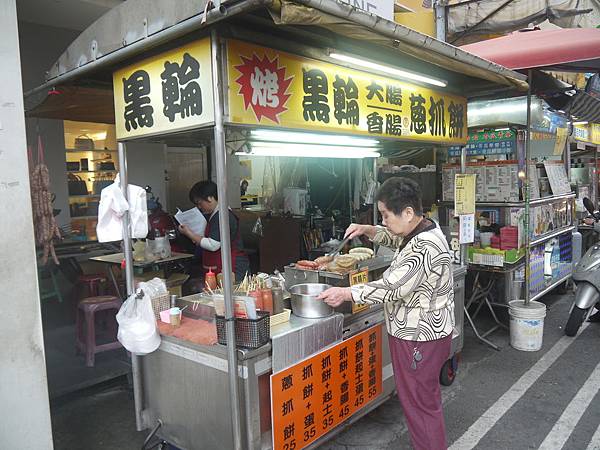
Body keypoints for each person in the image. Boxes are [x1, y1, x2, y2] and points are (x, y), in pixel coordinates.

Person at [318, 177, 455, 450]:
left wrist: (347, 293)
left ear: (407, 212)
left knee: (419, 406)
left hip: (418, 337)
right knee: (423, 401)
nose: (383, 221)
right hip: (425, 333)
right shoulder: (424, 229)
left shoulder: (426, 247)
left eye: (384, 215)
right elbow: (396, 238)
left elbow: (391, 288)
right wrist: (367, 229)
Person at [178, 180, 249, 282]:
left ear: (210, 198)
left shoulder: (222, 216)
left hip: (232, 268)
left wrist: (189, 233)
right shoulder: (215, 214)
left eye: (199, 203)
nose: (199, 207)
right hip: (220, 267)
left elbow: (213, 245)